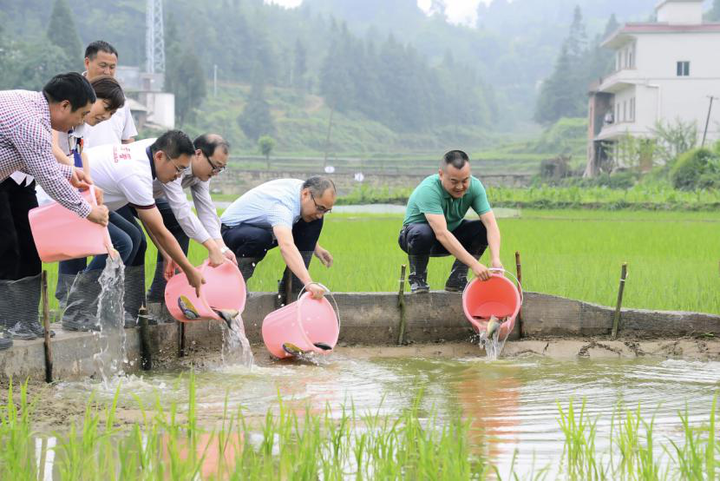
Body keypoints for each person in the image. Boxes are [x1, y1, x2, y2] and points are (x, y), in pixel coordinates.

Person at [0, 73, 109, 346]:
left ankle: (17, 320)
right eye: (81, 114)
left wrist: (71, 173)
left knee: (17, 245)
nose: (79, 122)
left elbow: (30, 161)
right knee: (4, 246)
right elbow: (47, 179)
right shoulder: (31, 124)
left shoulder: (29, 105)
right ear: (64, 105)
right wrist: (87, 211)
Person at [62, 131, 205, 331]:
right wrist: (190, 270)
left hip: (92, 203)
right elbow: (160, 229)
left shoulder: (147, 150)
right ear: (160, 156)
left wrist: (166, 254)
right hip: (64, 201)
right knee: (123, 243)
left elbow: (153, 225)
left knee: (135, 238)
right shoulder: (136, 173)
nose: (178, 176)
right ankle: (77, 310)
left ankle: (124, 310)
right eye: (178, 168)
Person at [47, 75, 127, 306]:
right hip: (53, 184)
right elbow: (51, 147)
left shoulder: (82, 126)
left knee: (86, 239)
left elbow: (81, 155)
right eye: (105, 107)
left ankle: (75, 300)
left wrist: (89, 184)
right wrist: (73, 171)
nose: (105, 116)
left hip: (72, 185)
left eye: (112, 114)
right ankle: (75, 300)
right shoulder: (60, 117)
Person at [146, 134, 237, 307]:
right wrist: (211, 247)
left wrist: (221, 247)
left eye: (221, 169)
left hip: (149, 198)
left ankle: (160, 295)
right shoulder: (177, 163)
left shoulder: (201, 174)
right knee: (134, 241)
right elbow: (182, 210)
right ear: (198, 154)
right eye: (216, 166)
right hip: (129, 196)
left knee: (178, 228)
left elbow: (206, 210)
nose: (216, 173)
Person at [398, 150, 502, 294]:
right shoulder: (429, 189)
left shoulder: (475, 187)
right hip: (416, 239)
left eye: (465, 180)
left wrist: (495, 259)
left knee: (482, 228)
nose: (460, 187)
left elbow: (491, 224)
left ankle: (457, 279)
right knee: (422, 232)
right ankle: (418, 280)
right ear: (441, 174)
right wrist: (474, 265)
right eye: (454, 181)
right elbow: (441, 233)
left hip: (450, 237)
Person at [220, 177, 335, 301]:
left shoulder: (305, 191)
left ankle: (293, 291)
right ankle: (236, 284)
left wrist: (314, 246)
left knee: (314, 221)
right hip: (230, 232)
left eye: (326, 211)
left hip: (261, 228)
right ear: (305, 194)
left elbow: (298, 224)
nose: (320, 214)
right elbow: (286, 246)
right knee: (260, 238)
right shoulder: (282, 205)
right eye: (320, 208)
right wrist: (309, 282)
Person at [82, 40, 137, 146]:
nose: (107, 72)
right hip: (75, 161)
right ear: (87, 63)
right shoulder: (72, 92)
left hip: (112, 162)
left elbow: (127, 139)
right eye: (103, 65)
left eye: (112, 67)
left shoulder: (120, 99)